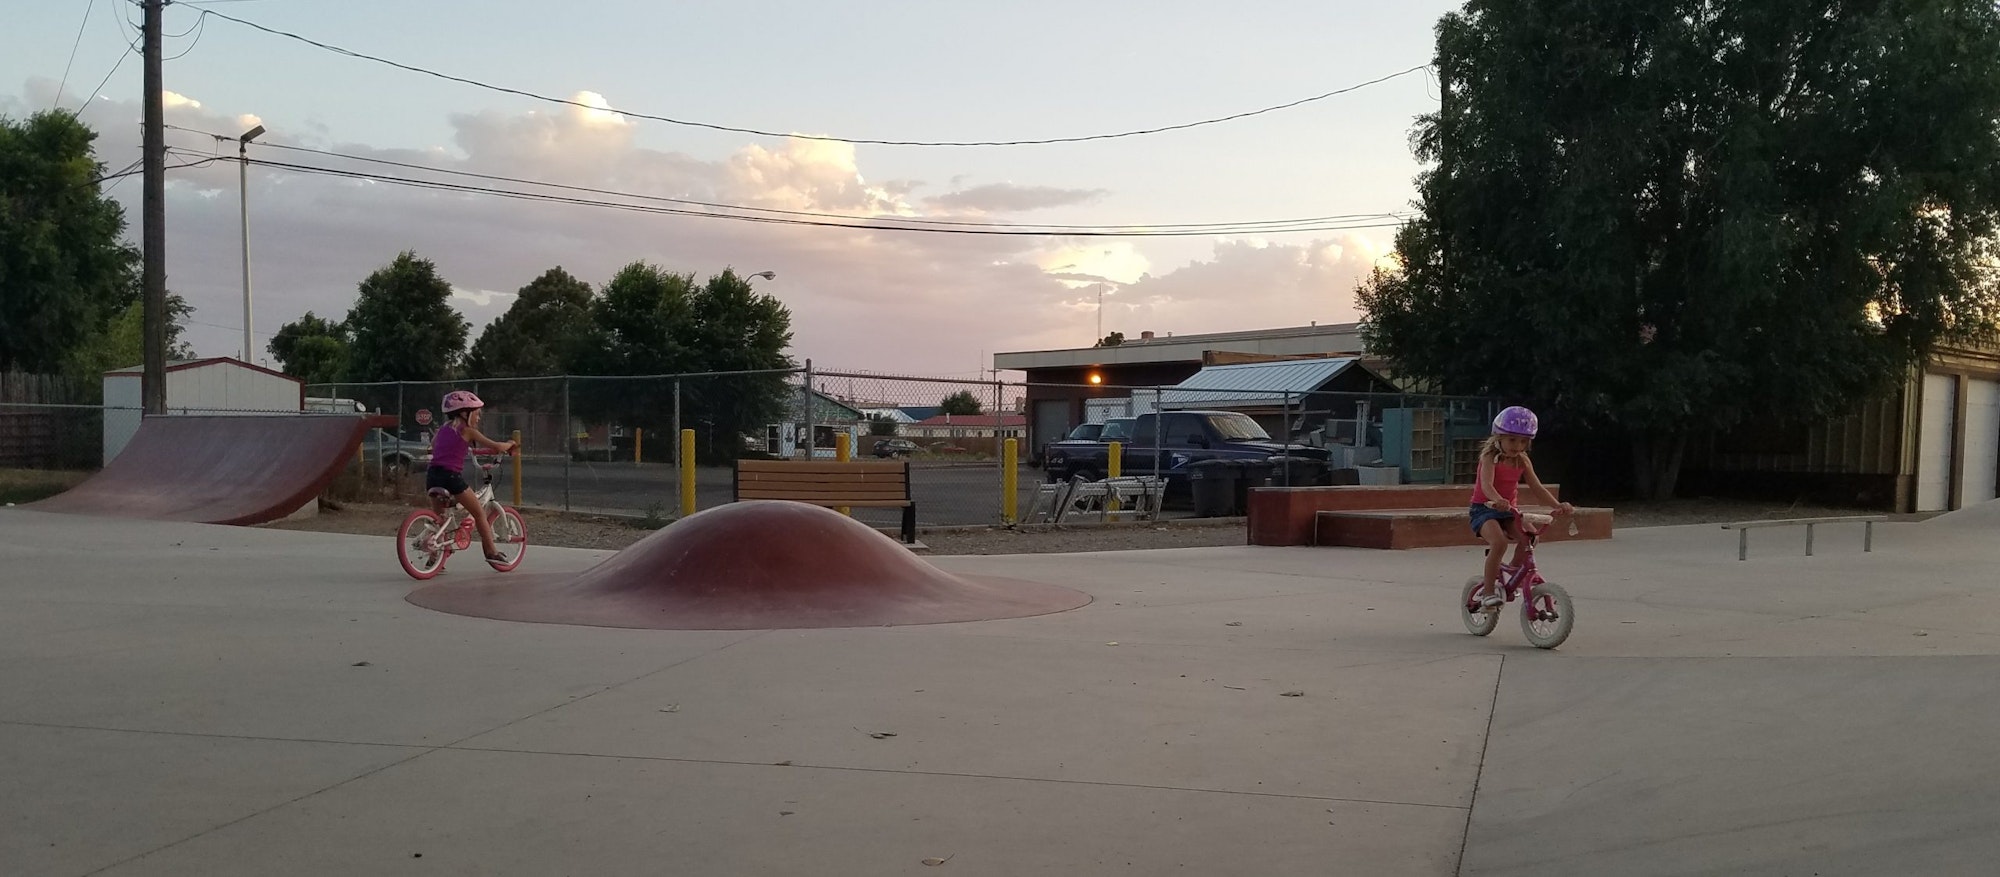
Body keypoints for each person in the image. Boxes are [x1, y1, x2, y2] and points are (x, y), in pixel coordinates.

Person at [1468, 406, 1572, 609]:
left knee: (1531, 537)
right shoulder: (1489, 457)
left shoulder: (1522, 460)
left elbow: (1537, 488)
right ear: (1499, 436)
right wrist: (1498, 499)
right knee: (1499, 543)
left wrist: (1558, 505)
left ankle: (1514, 572)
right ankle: (1488, 593)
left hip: (1509, 511)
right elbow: (1486, 485)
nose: (1518, 446)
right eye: (1513, 440)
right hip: (1484, 509)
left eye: (1524, 441)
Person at [427, 390, 518, 564]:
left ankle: (435, 557)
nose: (478, 418)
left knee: (440, 519)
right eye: (476, 414)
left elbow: (432, 446)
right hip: (450, 477)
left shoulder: (442, 429)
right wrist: (510, 444)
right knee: (478, 513)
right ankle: (491, 552)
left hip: (432, 475)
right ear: (464, 413)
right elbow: (497, 446)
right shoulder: (467, 431)